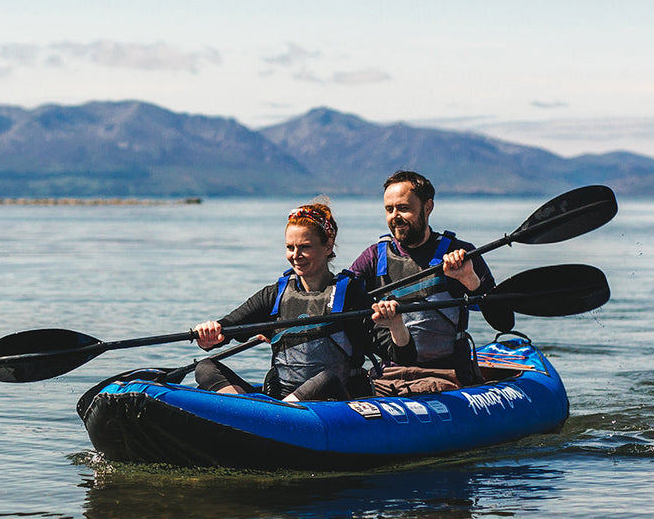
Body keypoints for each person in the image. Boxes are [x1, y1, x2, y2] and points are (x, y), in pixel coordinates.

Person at [193, 200, 415, 401]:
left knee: (325, 379)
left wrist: (396, 324)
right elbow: (227, 329)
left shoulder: (351, 295)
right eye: (290, 247)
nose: (295, 255)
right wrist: (209, 334)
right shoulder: (274, 295)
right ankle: (251, 415)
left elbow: (403, 355)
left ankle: (271, 419)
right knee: (205, 368)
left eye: (305, 247)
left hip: (336, 400)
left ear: (328, 247)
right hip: (283, 400)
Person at [350, 171, 495, 389]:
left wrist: (470, 280)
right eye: (389, 209)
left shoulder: (460, 254)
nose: (395, 216)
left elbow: (503, 321)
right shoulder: (374, 257)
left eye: (404, 208)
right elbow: (339, 303)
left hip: (447, 374)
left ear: (428, 207)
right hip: (389, 373)